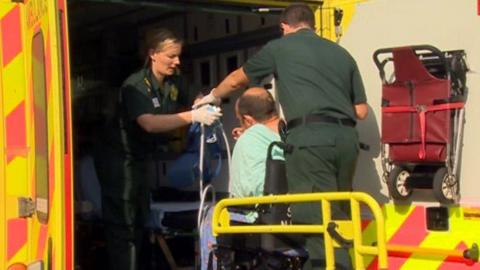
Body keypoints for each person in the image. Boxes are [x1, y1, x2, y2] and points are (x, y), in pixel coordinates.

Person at [195, 3, 368, 270]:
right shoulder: (342, 54)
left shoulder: (279, 48)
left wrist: (212, 96)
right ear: (311, 23)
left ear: (284, 27)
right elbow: (361, 111)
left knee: (312, 219)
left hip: (311, 142)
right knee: (340, 213)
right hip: (347, 140)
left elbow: (236, 80)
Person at [93, 28, 222, 270]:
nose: (177, 61)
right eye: (171, 56)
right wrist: (192, 116)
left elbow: (195, 96)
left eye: (179, 56)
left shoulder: (175, 81)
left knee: (140, 219)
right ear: (153, 54)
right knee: (124, 223)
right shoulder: (135, 85)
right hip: (118, 160)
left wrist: (206, 100)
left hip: (140, 159)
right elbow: (149, 123)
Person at [200, 87, 283, 270]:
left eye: (241, 121)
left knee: (210, 215)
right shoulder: (289, 134)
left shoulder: (250, 138)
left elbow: (245, 191)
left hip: (257, 222)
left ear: (247, 119)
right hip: (290, 218)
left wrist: (248, 137)